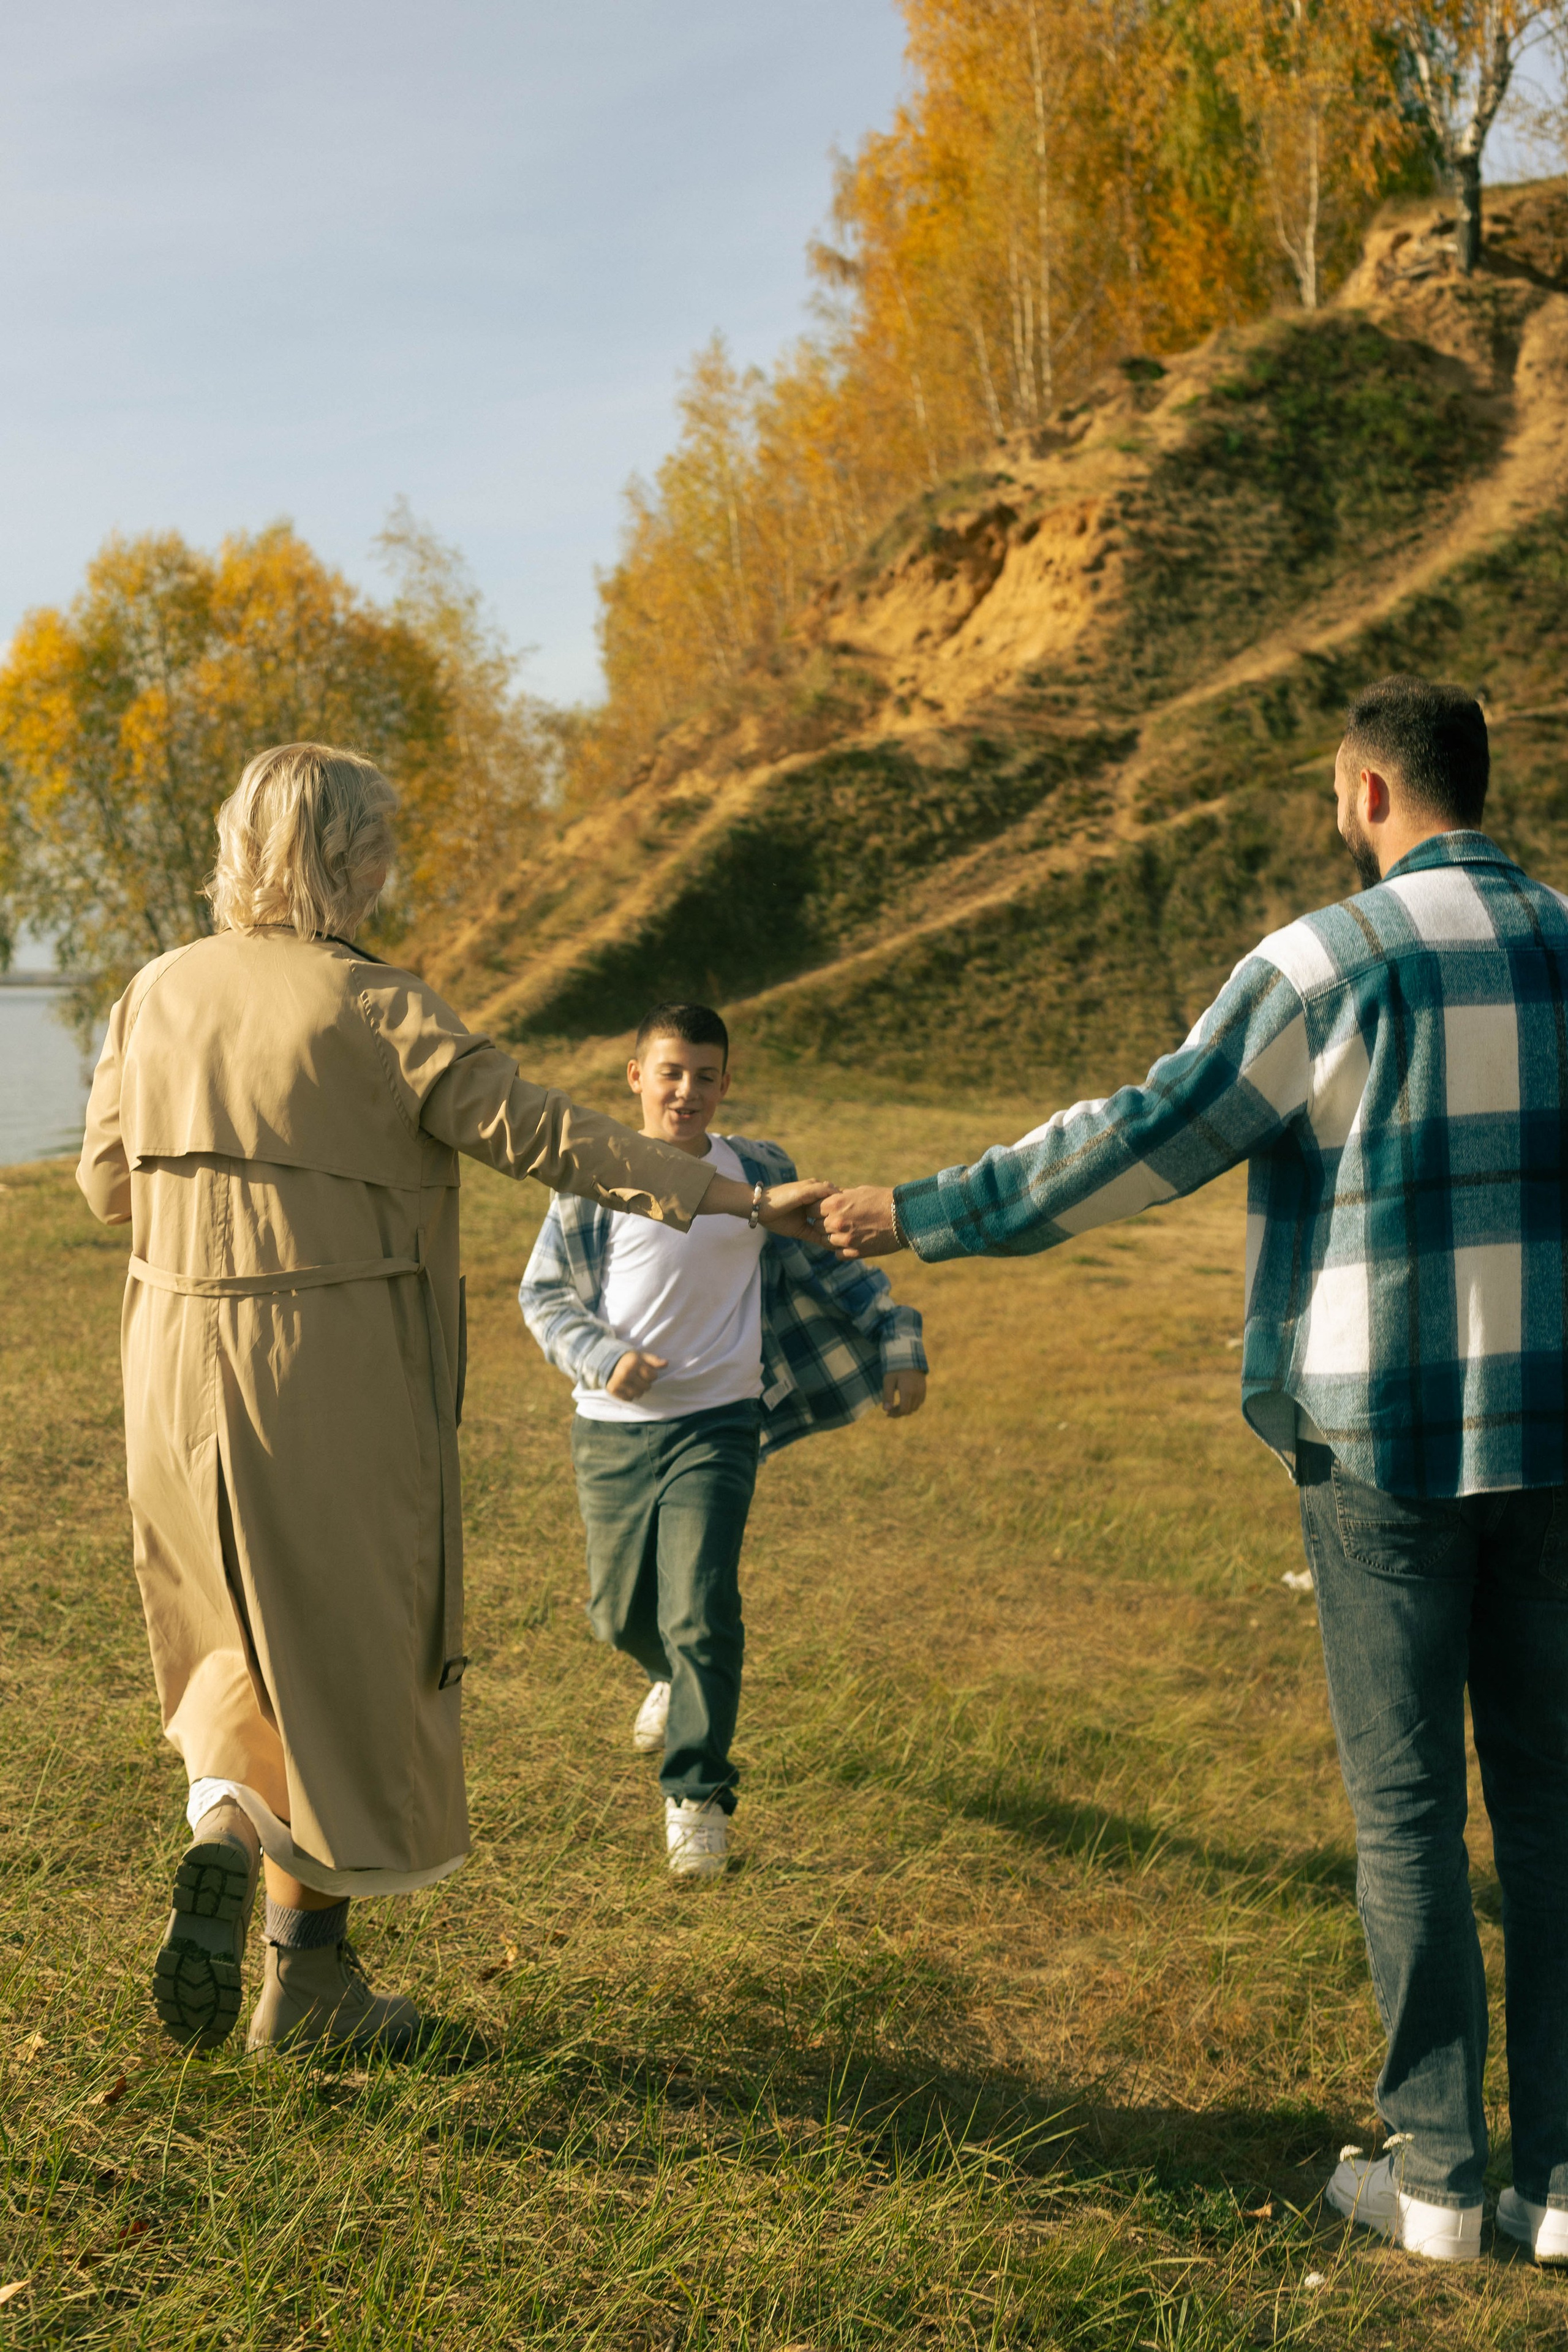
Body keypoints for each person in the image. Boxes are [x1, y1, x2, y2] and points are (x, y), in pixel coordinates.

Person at [819, 676, 1568, 2267]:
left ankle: (1437, 2177)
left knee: (1411, 1808)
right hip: (1560, 1435)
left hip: (1381, 1443)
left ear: (1367, 794)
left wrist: (925, 1210)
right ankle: (1561, 2186)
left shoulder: (1326, 960)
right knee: (1558, 1805)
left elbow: (1144, 1135)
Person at [77, 745, 831, 2059]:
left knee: (226, 1635)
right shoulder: (373, 1007)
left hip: (167, 1363)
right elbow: (550, 1134)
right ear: (350, 857)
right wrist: (732, 1191)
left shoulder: (154, 993)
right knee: (350, 1655)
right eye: (380, 847)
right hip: (326, 1363)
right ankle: (305, 1977)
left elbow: (104, 1187)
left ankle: (226, 1830)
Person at [520, 1001, 928, 1879]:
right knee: (616, 1611)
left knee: (703, 1606)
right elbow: (544, 1296)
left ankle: (696, 1798)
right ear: (636, 1078)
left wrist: (898, 1342)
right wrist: (603, 1359)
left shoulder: (760, 1174)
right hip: (615, 1428)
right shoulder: (596, 1177)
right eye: (670, 1072)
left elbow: (833, 1263)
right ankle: (666, 1674)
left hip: (721, 1422)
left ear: (726, 1083)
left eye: (706, 1075)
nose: (687, 1091)